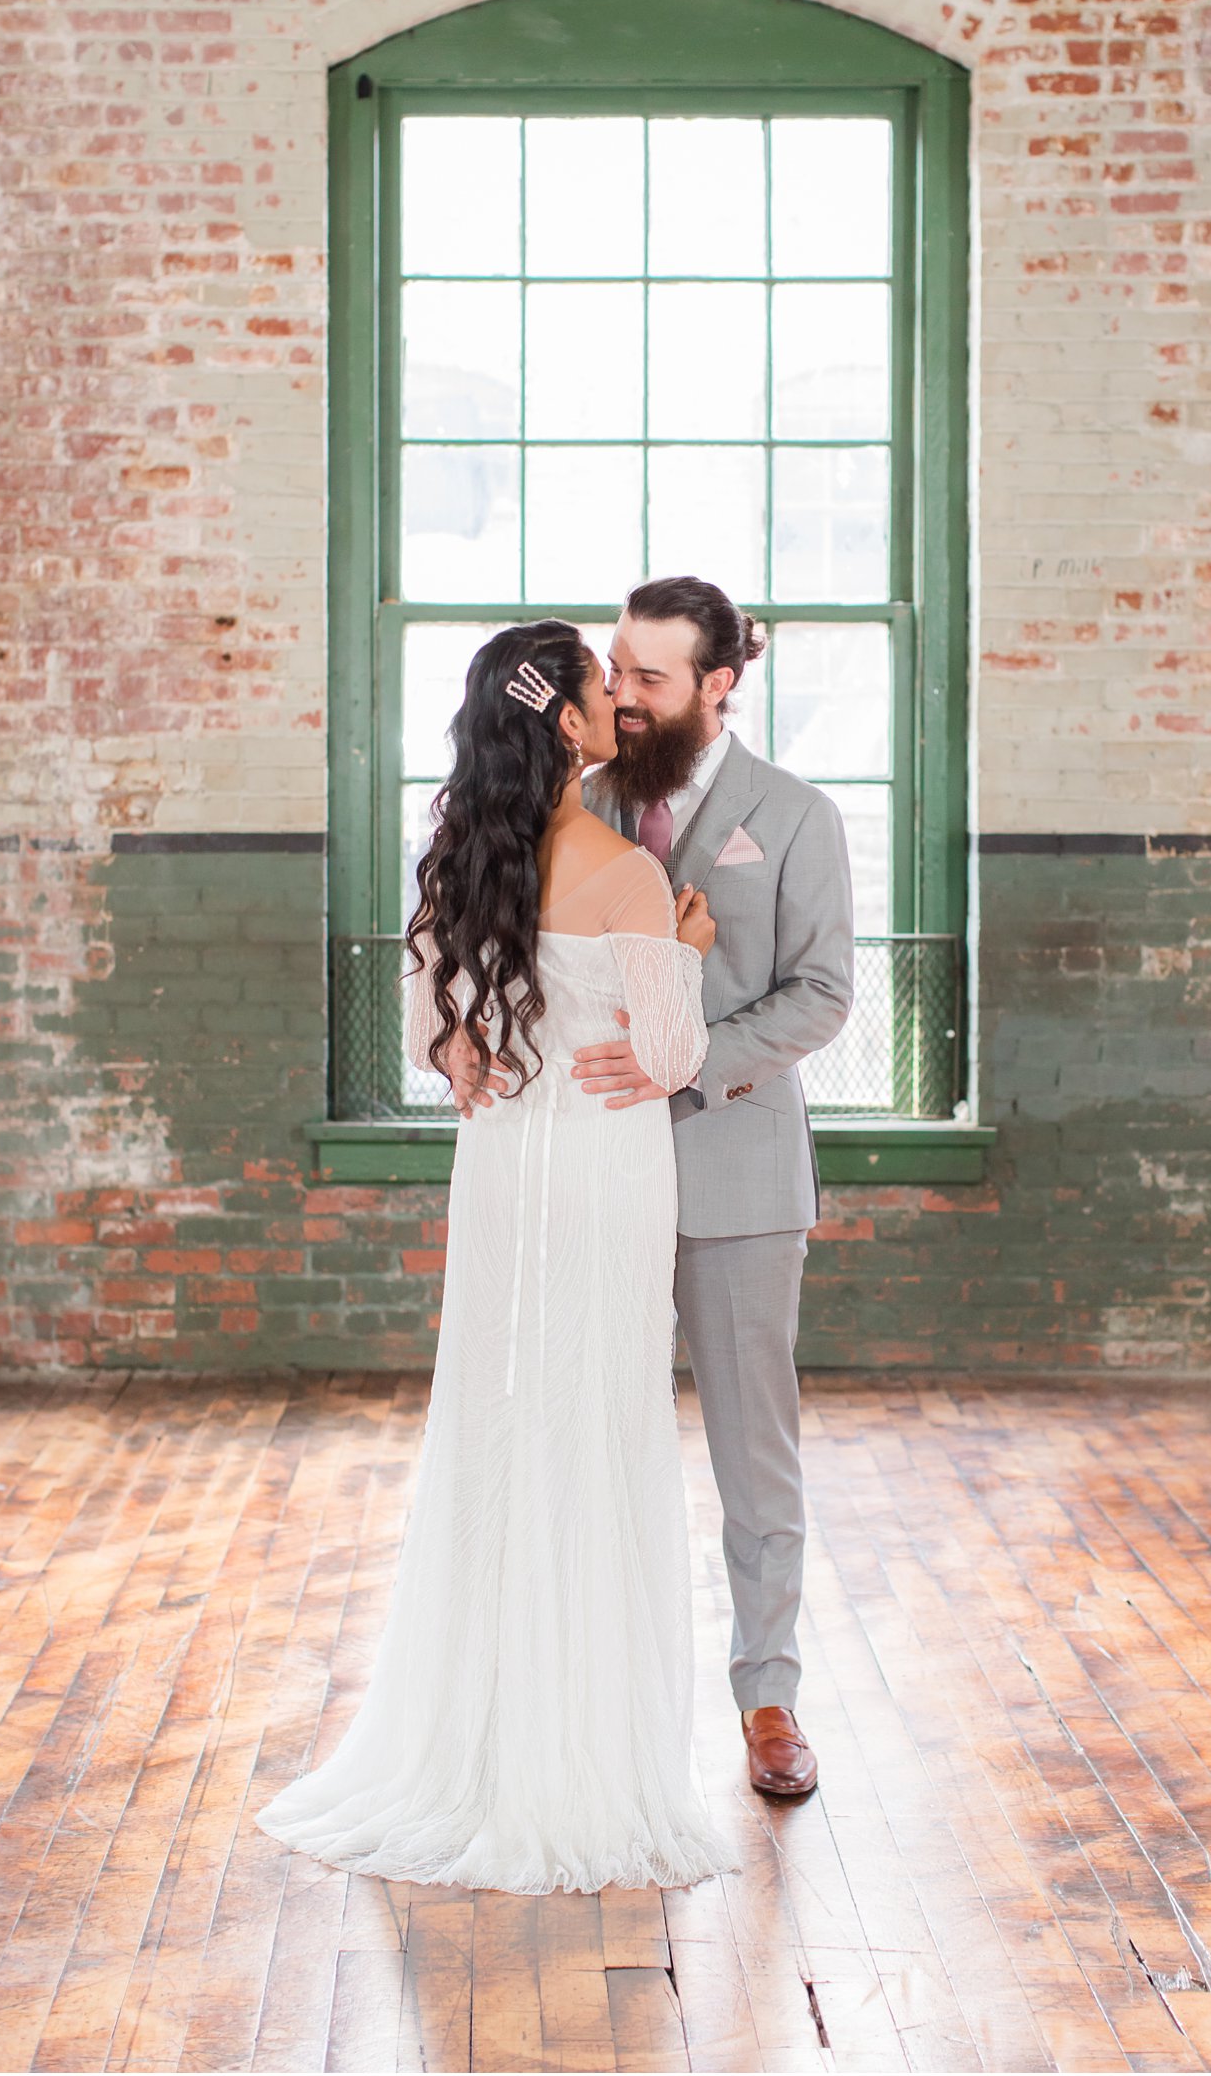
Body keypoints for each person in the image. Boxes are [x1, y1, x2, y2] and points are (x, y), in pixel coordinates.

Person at [255, 618, 741, 1895]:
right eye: (600, 690)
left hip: (502, 1166)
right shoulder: (627, 873)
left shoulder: (455, 861)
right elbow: (674, 1055)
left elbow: (439, 1037)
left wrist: (461, 1053)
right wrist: (684, 952)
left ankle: (467, 1735)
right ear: (569, 727)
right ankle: (575, 1750)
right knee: (596, 1422)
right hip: (603, 1165)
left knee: (495, 1419)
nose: (617, 706)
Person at [453, 578, 856, 1802]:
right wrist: (454, 1038)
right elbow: (474, 937)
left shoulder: (795, 816)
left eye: (649, 678)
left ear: (717, 686)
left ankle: (768, 1697)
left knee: (752, 1449)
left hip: (735, 1175)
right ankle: (570, 1702)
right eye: (613, 672)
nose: (622, 696)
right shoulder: (562, 803)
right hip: (582, 1179)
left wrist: (688, 1068)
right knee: (573, 1435)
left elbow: (823, 994)